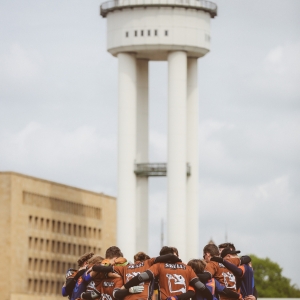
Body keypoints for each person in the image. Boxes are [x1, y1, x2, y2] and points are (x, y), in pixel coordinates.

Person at [121, 248, 213, 300]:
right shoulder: (187, 268)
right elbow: (200, 286)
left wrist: (125, 287)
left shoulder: (159, 266)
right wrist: (211, 298)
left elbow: (141, 277)